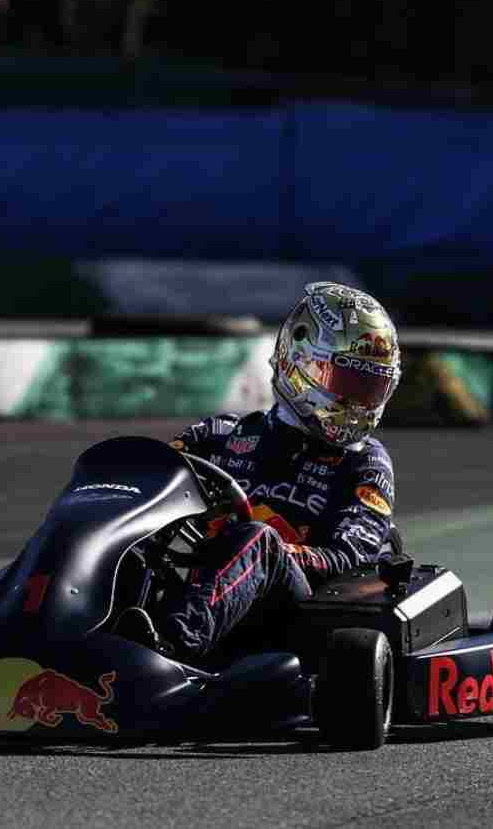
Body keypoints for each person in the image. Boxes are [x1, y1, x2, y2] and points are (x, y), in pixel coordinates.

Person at [115, 282, 403, 661]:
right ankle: (54, 625)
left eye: (371, 390)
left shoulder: (366, 463)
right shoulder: (222, 435)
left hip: (301, 617)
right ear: (299, 364)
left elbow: (351, 558)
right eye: (348, 385)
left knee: (257, 540)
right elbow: (143, 487)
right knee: (124, 539)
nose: (360, 404)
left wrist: (266, 552)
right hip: (208, 594)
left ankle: (170, 649)